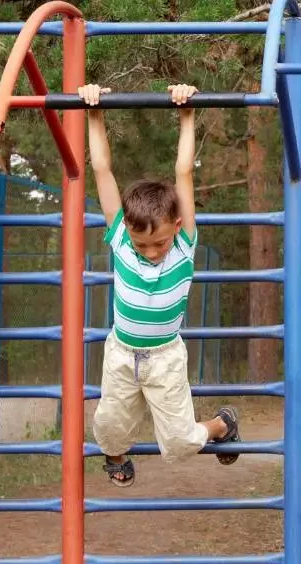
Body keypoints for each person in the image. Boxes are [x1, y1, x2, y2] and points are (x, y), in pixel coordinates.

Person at [79, 82, 241, 487]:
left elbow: (183, 172)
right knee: (107, 429)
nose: (151, 251)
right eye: (143, 244)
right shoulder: (120, 241)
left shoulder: (184, 247)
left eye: (159, 242)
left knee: (182, 443)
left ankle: (222, 424)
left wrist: (187, 115)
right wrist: (94, 114)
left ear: (178, 228)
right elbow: (102, 170)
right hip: (121, 354)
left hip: (165, 358)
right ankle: (116, 457)